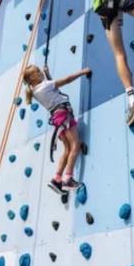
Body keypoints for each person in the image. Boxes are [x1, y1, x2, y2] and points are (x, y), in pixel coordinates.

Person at [23, 64, 90, 193]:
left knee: (67, 150)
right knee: (75, 146)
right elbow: (66, 80)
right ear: (33, 77)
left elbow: (53, 90)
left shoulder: (35, 92)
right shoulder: (45, 86)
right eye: (38, 71)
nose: (40, 72)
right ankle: (68, 179)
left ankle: (57, 179)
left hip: (57, 119)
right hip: (64, 114)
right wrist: (83, 72)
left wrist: (47, 75)